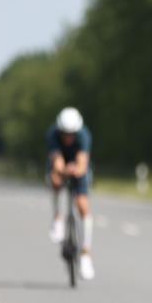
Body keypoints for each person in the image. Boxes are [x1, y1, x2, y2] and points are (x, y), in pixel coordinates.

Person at [46, 107, 95, 280]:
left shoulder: (84, 135)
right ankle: (57, 218)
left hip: (77, 165)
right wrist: (63, 171)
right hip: (61, 164)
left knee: (82, 205)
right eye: (65, 134)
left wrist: (75, 170)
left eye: (71, 134)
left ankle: (86, 254)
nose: (68, 137)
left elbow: (82, 164)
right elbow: (57, 162)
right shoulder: (52, 135)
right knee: (55, 181)